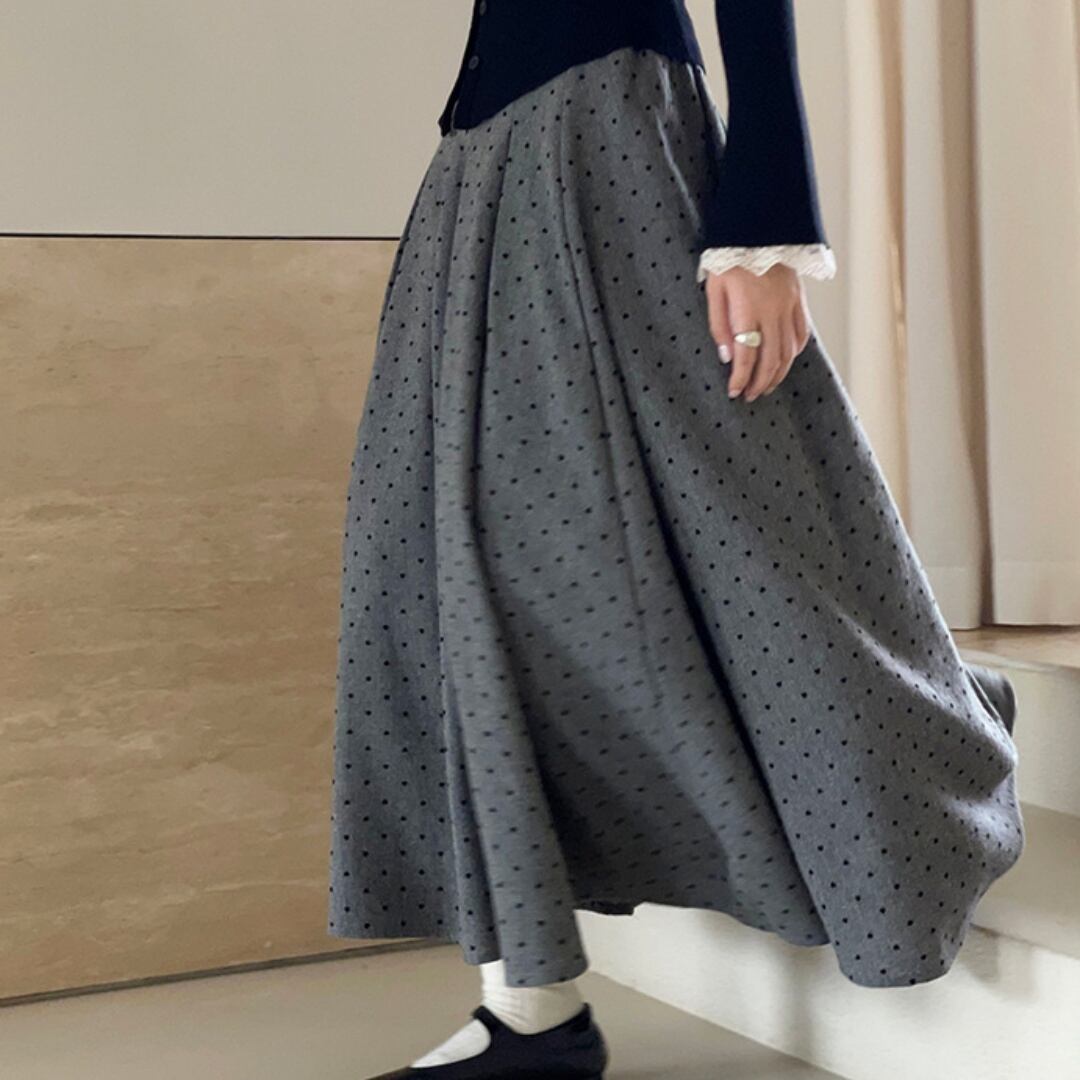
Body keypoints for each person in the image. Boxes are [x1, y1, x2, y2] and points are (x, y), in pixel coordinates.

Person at [327, 2, 1025, 1077]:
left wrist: (767, 228)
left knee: (738, 528)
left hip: (602, 144)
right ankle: (529, 1011)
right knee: (450, 571)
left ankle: (930, 758)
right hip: (483, 165)